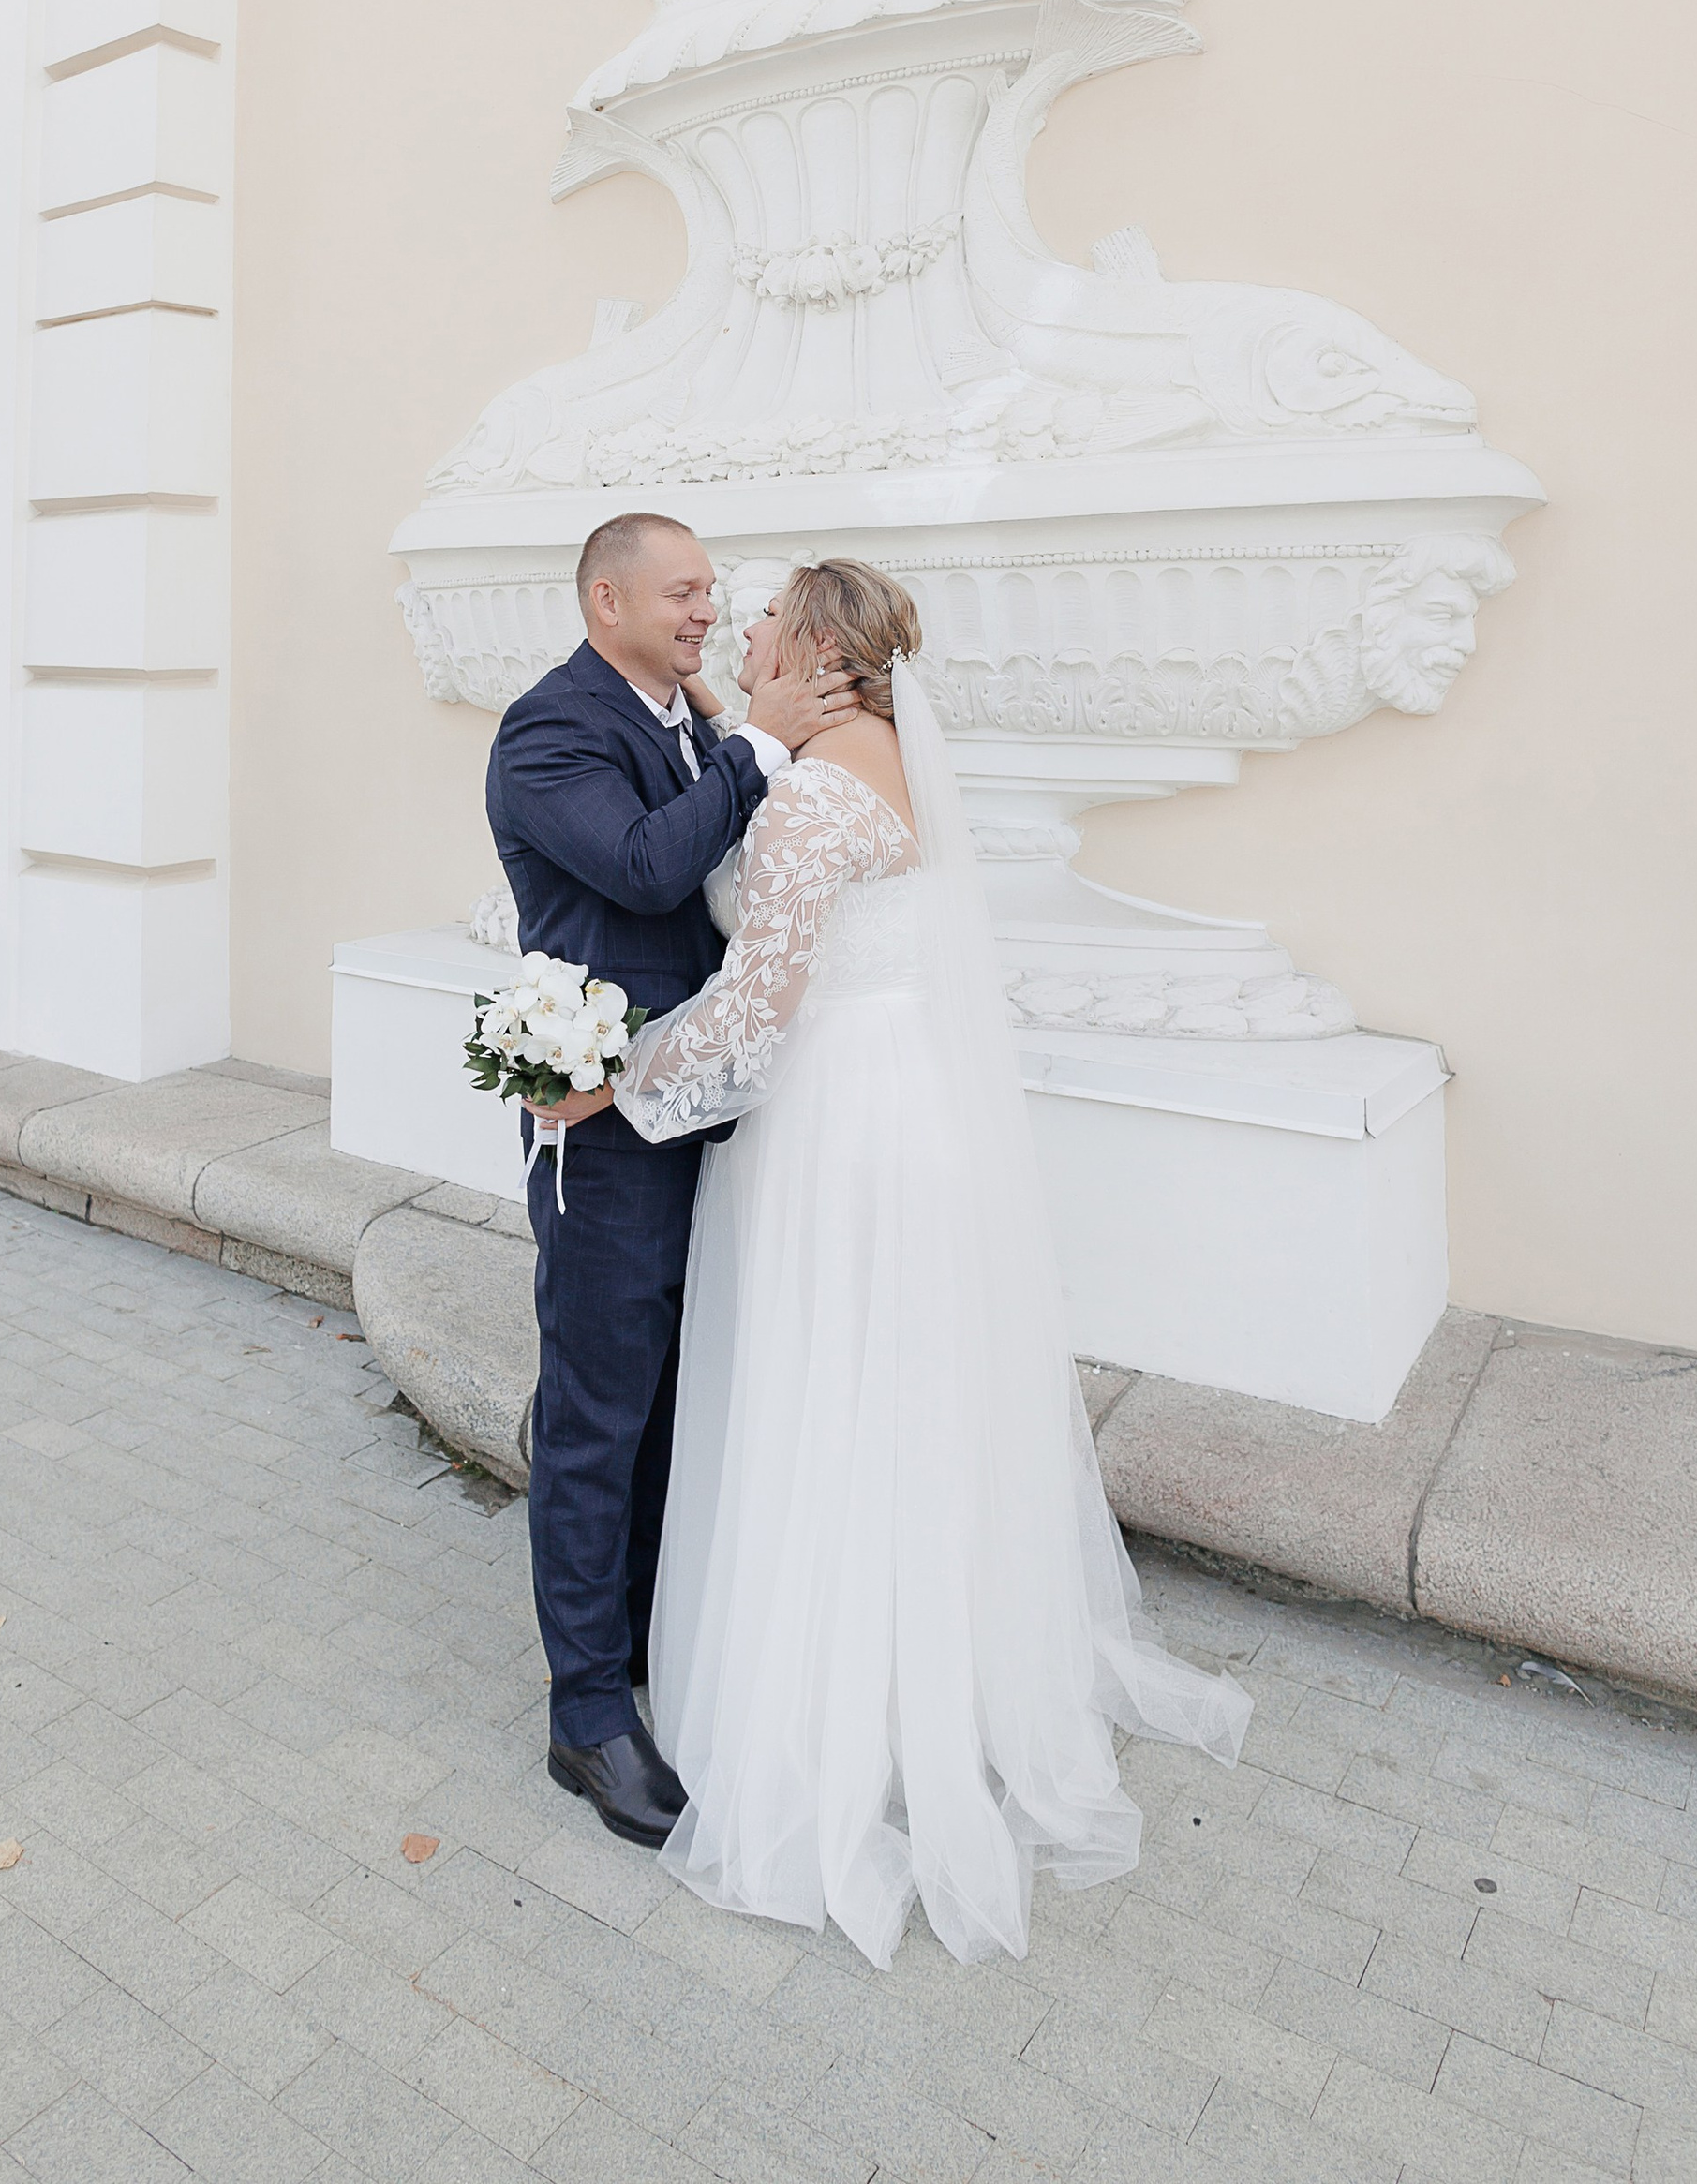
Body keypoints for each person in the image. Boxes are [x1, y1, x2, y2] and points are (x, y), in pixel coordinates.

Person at [532, 557, 1253, 1965]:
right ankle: (942, 1668)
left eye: (760, 620)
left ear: (817, 652)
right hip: (897, 1110)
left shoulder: (810, 797)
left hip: (839, 1130)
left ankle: (837, 1708)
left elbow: (754, 1016)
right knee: (899, 1399)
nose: (735, 630)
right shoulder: (881, 766)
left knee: (836, 1399)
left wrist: (607, 1084)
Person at [484, 513, 858, 1849]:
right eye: (686, 591)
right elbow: (648, 867)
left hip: (695, 1109)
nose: (710, 610)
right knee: (595, 1416)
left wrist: (725, 724)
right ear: (607, 597)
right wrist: (758, 738)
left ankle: (637, 1643)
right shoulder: (550, 729)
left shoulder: (681, 712)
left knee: (665, 1403)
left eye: (714, 592)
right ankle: (584, 1716)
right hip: (605, 1128)